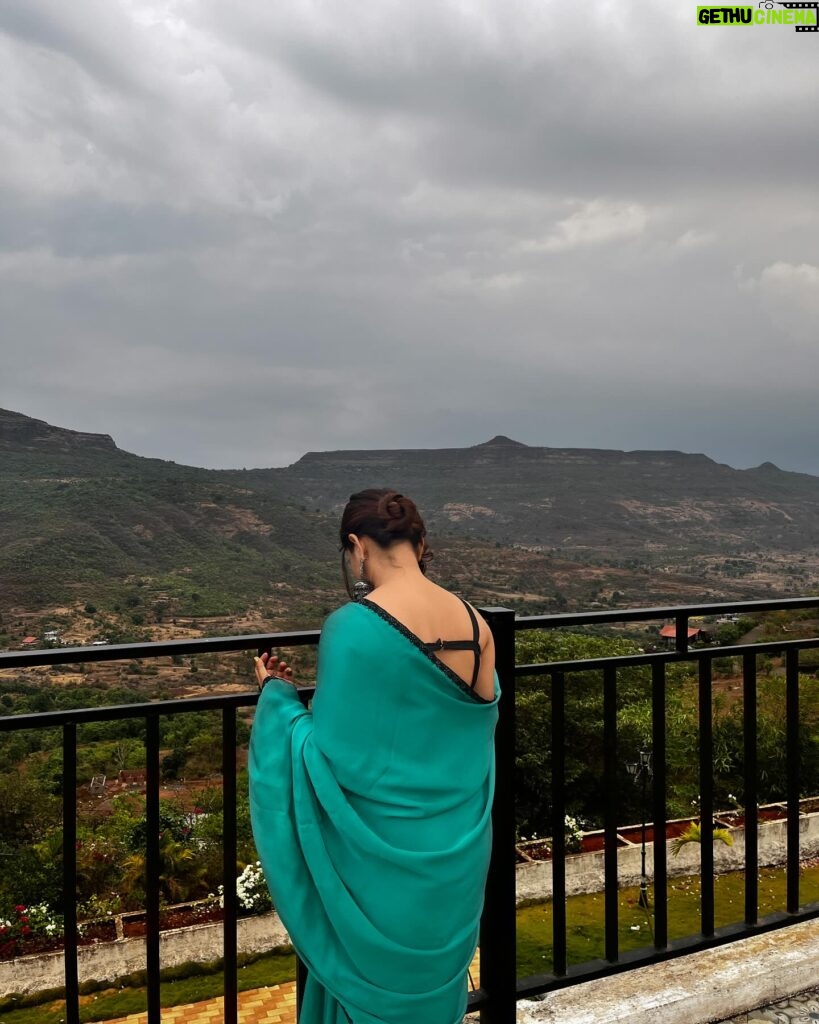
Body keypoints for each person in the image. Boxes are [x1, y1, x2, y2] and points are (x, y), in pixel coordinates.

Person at [248, 488, 499, 1024]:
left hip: (377, 877)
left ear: (357, 547)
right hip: (455, 856)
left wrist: (277, 700)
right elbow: (466, 738)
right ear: (421, 543)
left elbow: (328, 759)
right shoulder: (478, 627)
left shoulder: (352, 628)